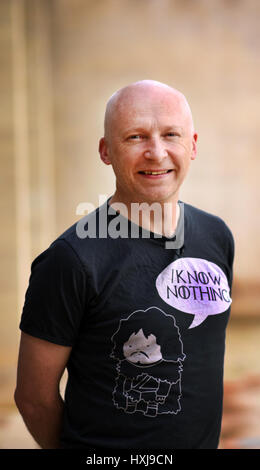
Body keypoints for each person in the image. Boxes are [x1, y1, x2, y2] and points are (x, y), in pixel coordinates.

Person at [14, 80, 234, 450]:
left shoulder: (216, 236)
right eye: (135, 137)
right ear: (106, 151)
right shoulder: (71, 259)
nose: (156, 152)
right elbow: (33, 398)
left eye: (171, 135)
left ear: (192, 145)